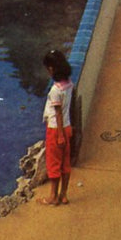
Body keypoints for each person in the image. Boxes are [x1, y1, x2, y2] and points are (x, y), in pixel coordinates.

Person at [37, 49, 74, 206]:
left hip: (55, 130)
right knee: (65, 163)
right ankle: (63, 195)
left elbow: (57, 113)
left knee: (53, 164)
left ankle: (53, 196)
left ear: (52, 69)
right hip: (67, 127)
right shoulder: (69, 85)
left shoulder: (55, 91)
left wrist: (58, 135)